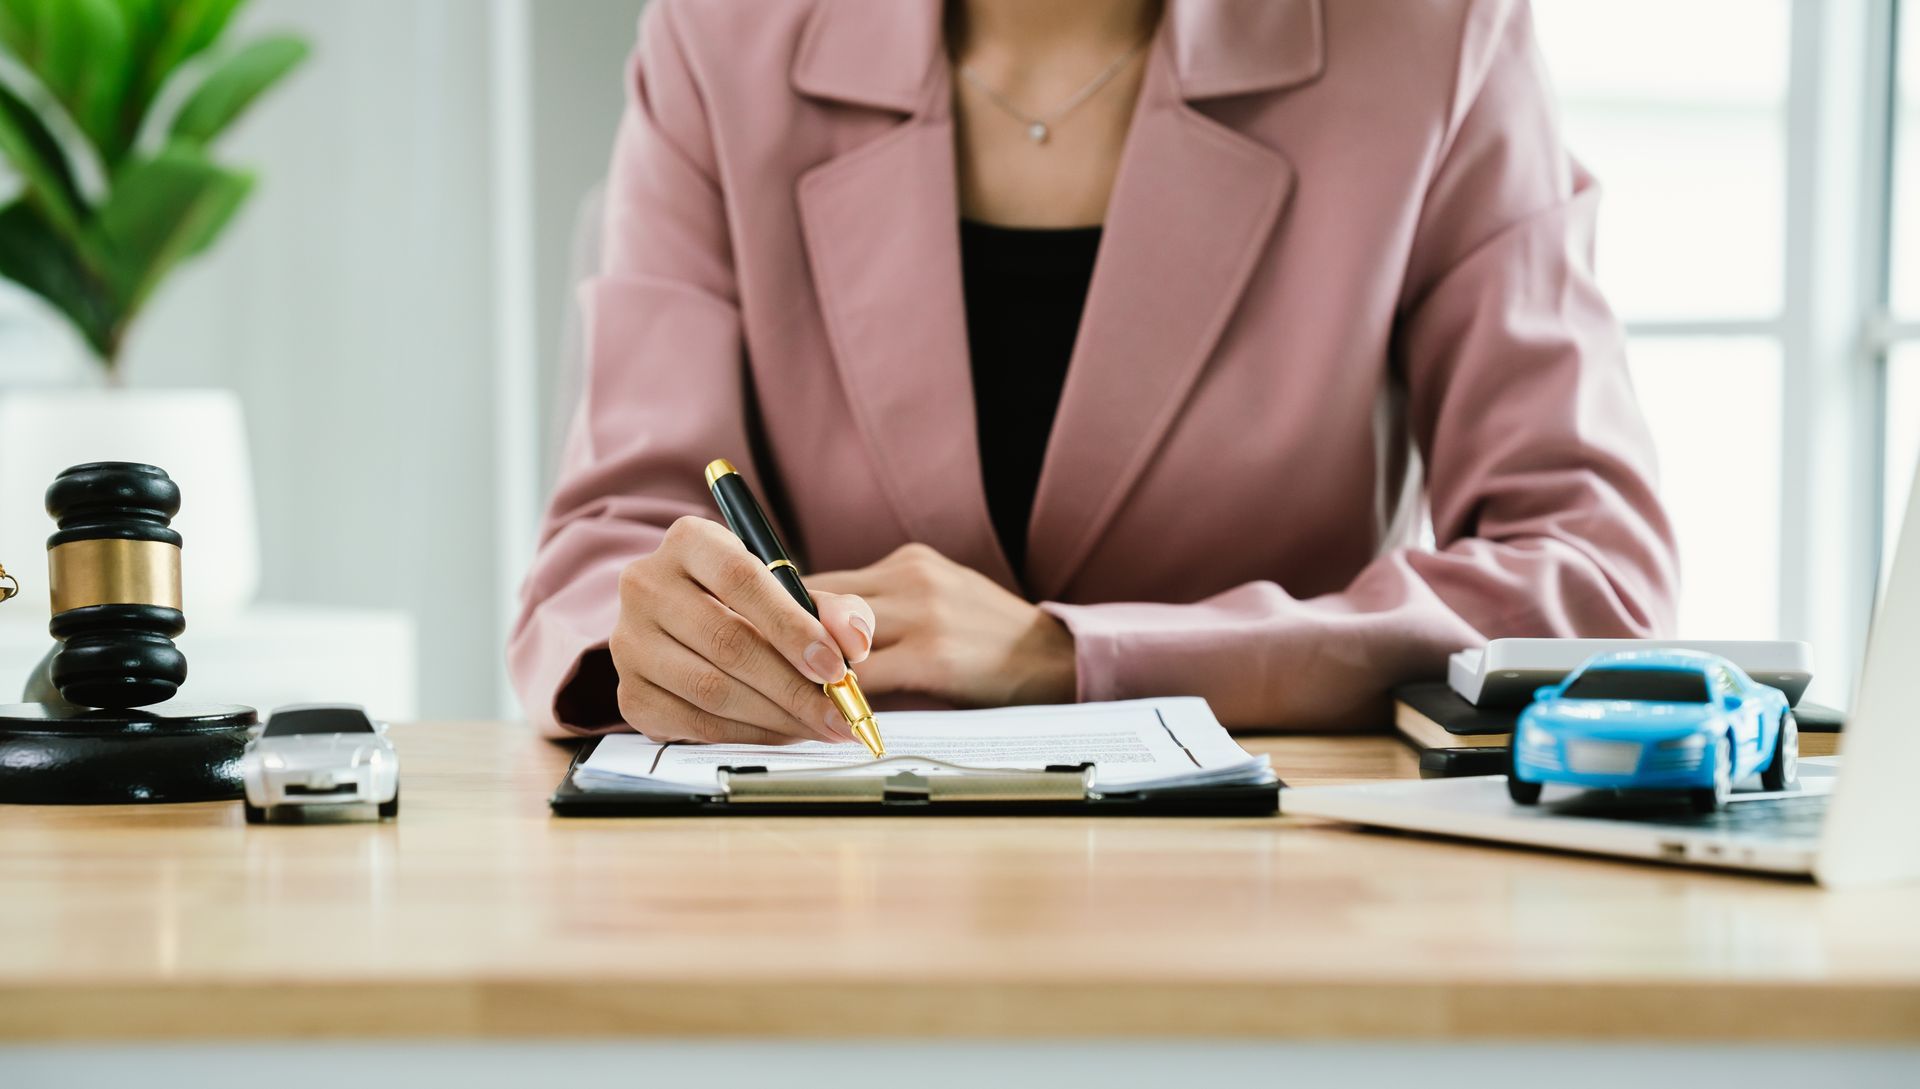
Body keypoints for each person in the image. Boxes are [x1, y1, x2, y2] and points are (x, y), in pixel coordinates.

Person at [509, 0, 1678, 742]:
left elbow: (1591, 575)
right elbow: (608, 543)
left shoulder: (1436, 34)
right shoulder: (721, 36)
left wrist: (1072, 658)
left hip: (1280, 898)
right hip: (810, 885)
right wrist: (665, 643)